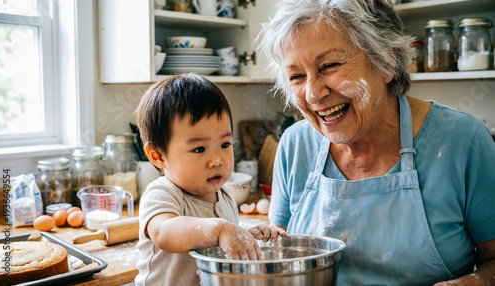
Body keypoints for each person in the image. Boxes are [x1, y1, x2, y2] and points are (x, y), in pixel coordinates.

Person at [258, 0, 495, 284]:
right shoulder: (295, 146)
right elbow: (279, 255)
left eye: (330, 65)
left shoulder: (461, 141)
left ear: (386, 62)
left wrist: (469, 283)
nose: (313, 94)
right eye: (296, 76)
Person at [134, 74, 286, 286]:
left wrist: (244, 236)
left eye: (225, 144)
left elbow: (217, 242)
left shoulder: (224, 195)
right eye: (199, 149)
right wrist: (221, 230)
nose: (217, 161)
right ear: (158, 156)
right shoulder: (162, 193)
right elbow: (164, 232)